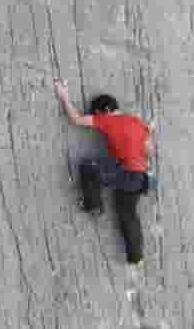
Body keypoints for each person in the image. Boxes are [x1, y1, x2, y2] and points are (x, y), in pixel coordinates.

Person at [52, 78, 151, 265]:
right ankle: (137, 257)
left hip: (126, 173)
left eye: (96, 114)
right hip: (140, 176)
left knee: (89, 167)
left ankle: (93, 205)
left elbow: (76, 119)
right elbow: (149, 150)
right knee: (128, 214)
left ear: (104, 111)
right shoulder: (137, 122)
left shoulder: (109, 120)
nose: (97, 118)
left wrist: (64, 96)